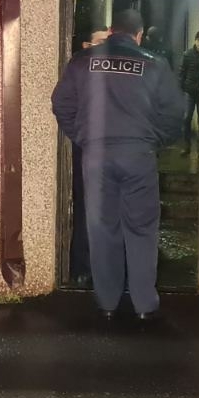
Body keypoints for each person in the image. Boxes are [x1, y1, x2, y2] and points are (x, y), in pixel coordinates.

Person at [51, 9, 186, 323]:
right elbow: (174, 112)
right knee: (141, 228)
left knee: (102, 229)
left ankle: (108, 301)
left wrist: (83, 137)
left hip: (96, 155)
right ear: (138, 35)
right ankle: (144, 304)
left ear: (111, 31)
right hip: (138, 154)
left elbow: (62, 105)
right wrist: (154, 141)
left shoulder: (81, 62)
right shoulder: (154, 64)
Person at [68, 29, 112, 288]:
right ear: (87, 45)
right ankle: (83, 267)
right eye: (102, 41)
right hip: (88, 150)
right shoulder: (78, 71)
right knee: (86, 208)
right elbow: (64, 106)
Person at [179, 30, 199, 156]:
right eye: (198, 40)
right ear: (195, 41)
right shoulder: (187, 54)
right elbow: (181, 72)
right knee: (186, 118)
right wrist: (182, 88)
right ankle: (186, 146)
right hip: (189, 92)